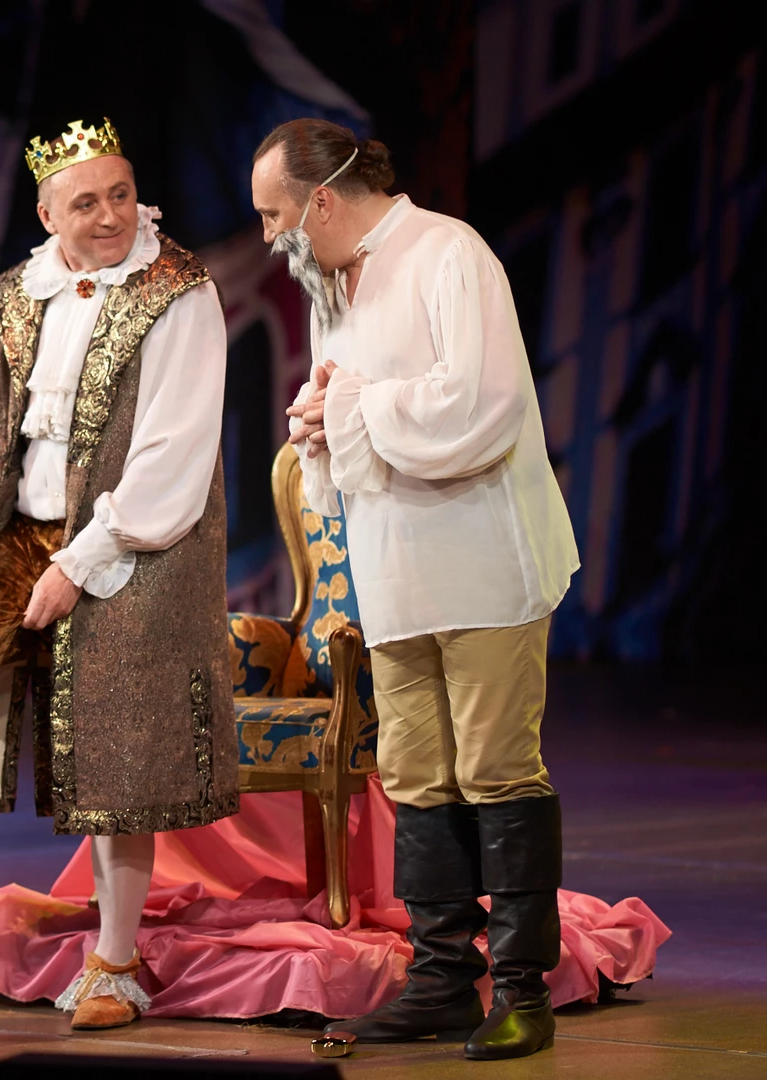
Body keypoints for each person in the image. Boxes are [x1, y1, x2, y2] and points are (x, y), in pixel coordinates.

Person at [0, 118, 237, 1030]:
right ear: (47, 215)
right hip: (24, 529)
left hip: (138, 541)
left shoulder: (180, 291)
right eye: (86, 203)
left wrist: (81, 561)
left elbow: (172, 458)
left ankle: (115, 960)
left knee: (113, 736)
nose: (110, 216)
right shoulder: (15, 297)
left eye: (121, 194)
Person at [250, 119, 579, 1062]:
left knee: (496, 768)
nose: (270, 237)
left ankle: (521, 990)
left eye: (275, 215)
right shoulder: (334, 285)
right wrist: (318, 424)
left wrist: (349, 407)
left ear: (321, 201)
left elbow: (480, 405)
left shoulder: (448, 253)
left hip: (477, 560)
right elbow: (347, 409)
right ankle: (440, 981)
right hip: (394, 564)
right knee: (419, 772)